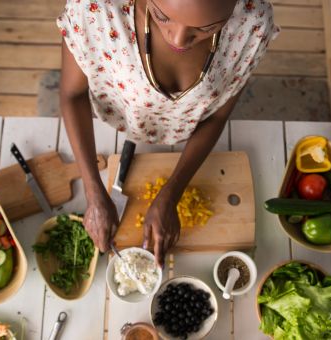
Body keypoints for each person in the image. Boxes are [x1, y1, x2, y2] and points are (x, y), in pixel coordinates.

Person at [58, 0, 277, 267]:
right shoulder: (94, 9)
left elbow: (218, 115)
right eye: (162, 16)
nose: (179, 39)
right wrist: (93, 193)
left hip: (190, 133)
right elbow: (72, 94)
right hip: (114, 126)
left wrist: (171, 193)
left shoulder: (252, 23)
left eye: (206, 28)